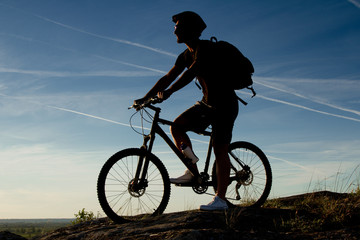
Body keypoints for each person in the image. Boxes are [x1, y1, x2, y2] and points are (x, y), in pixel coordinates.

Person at [134, 11, 238, 211]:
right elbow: (168, 76)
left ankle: (221, 199)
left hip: (225, 105)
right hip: (207, 104)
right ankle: (193, 171)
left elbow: (191, 73)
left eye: (178, 27)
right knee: (177, 127)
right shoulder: (185, 54)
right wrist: (145, 97)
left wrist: (171, 92)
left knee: (220, 149)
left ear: (190, 30)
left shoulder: (205, 48)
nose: (174, 31)